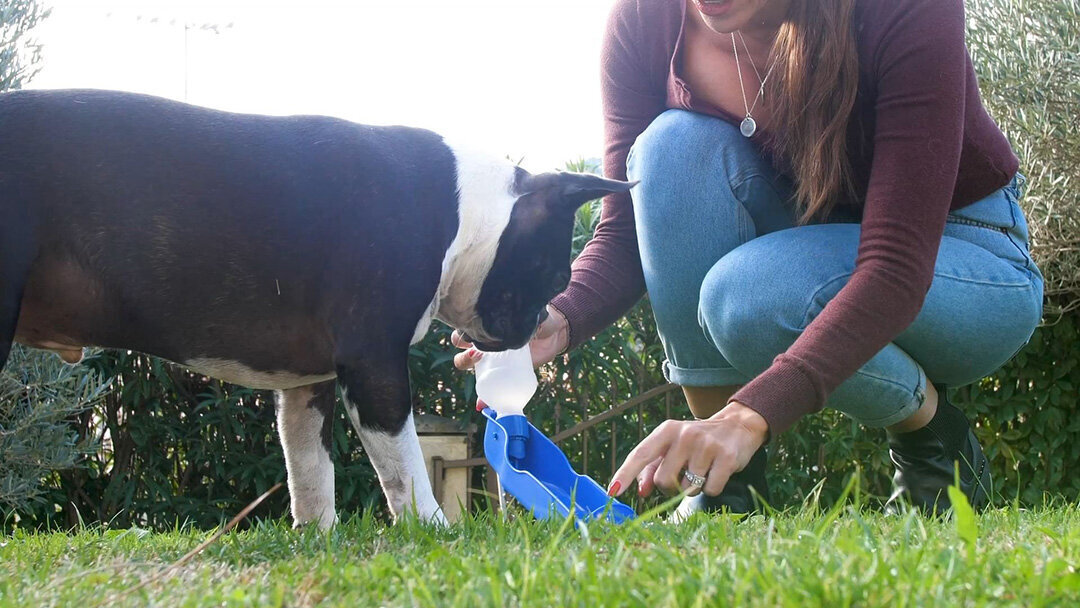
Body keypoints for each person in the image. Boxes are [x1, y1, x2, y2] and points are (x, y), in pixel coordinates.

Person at [455, 0, 1043, 516]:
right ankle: (721, 487)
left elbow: (894, 266)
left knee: (748, 296)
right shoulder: (645, 20)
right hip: (806, 256)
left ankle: (932, 440)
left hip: (965, 260)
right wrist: (556, 318)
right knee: (669, 148)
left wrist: (747, 417)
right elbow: (627, 230)